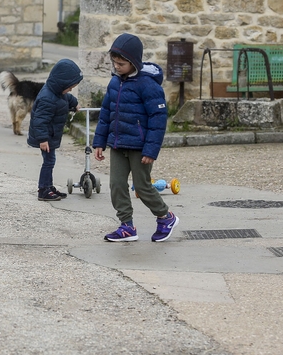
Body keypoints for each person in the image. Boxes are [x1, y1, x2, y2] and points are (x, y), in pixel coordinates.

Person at [92, 33, 179, 243]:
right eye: (114, 63)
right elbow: (106, 113)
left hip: (140, 146)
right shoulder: (114, 83)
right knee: (117, 185)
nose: (117, 67)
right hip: (118, 143)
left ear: (134, 62)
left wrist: (151, 150)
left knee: (142, 186)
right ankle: (127, 226)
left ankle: (165, 217)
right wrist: (99, 142)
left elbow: (158, 118)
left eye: (121, 63)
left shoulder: (148, 85)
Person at [27, 58, 82, 201]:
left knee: (50, 161)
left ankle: (48, 186)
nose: (70, 90)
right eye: (70, 87)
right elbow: (40, 120)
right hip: (46, 137)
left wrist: (74, 103)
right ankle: (43, 189)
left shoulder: (58, 93)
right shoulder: (47, 98)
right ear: (62, 83)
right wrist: (43, 139)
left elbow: (67, 98)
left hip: (50, 135)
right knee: (49, 162)